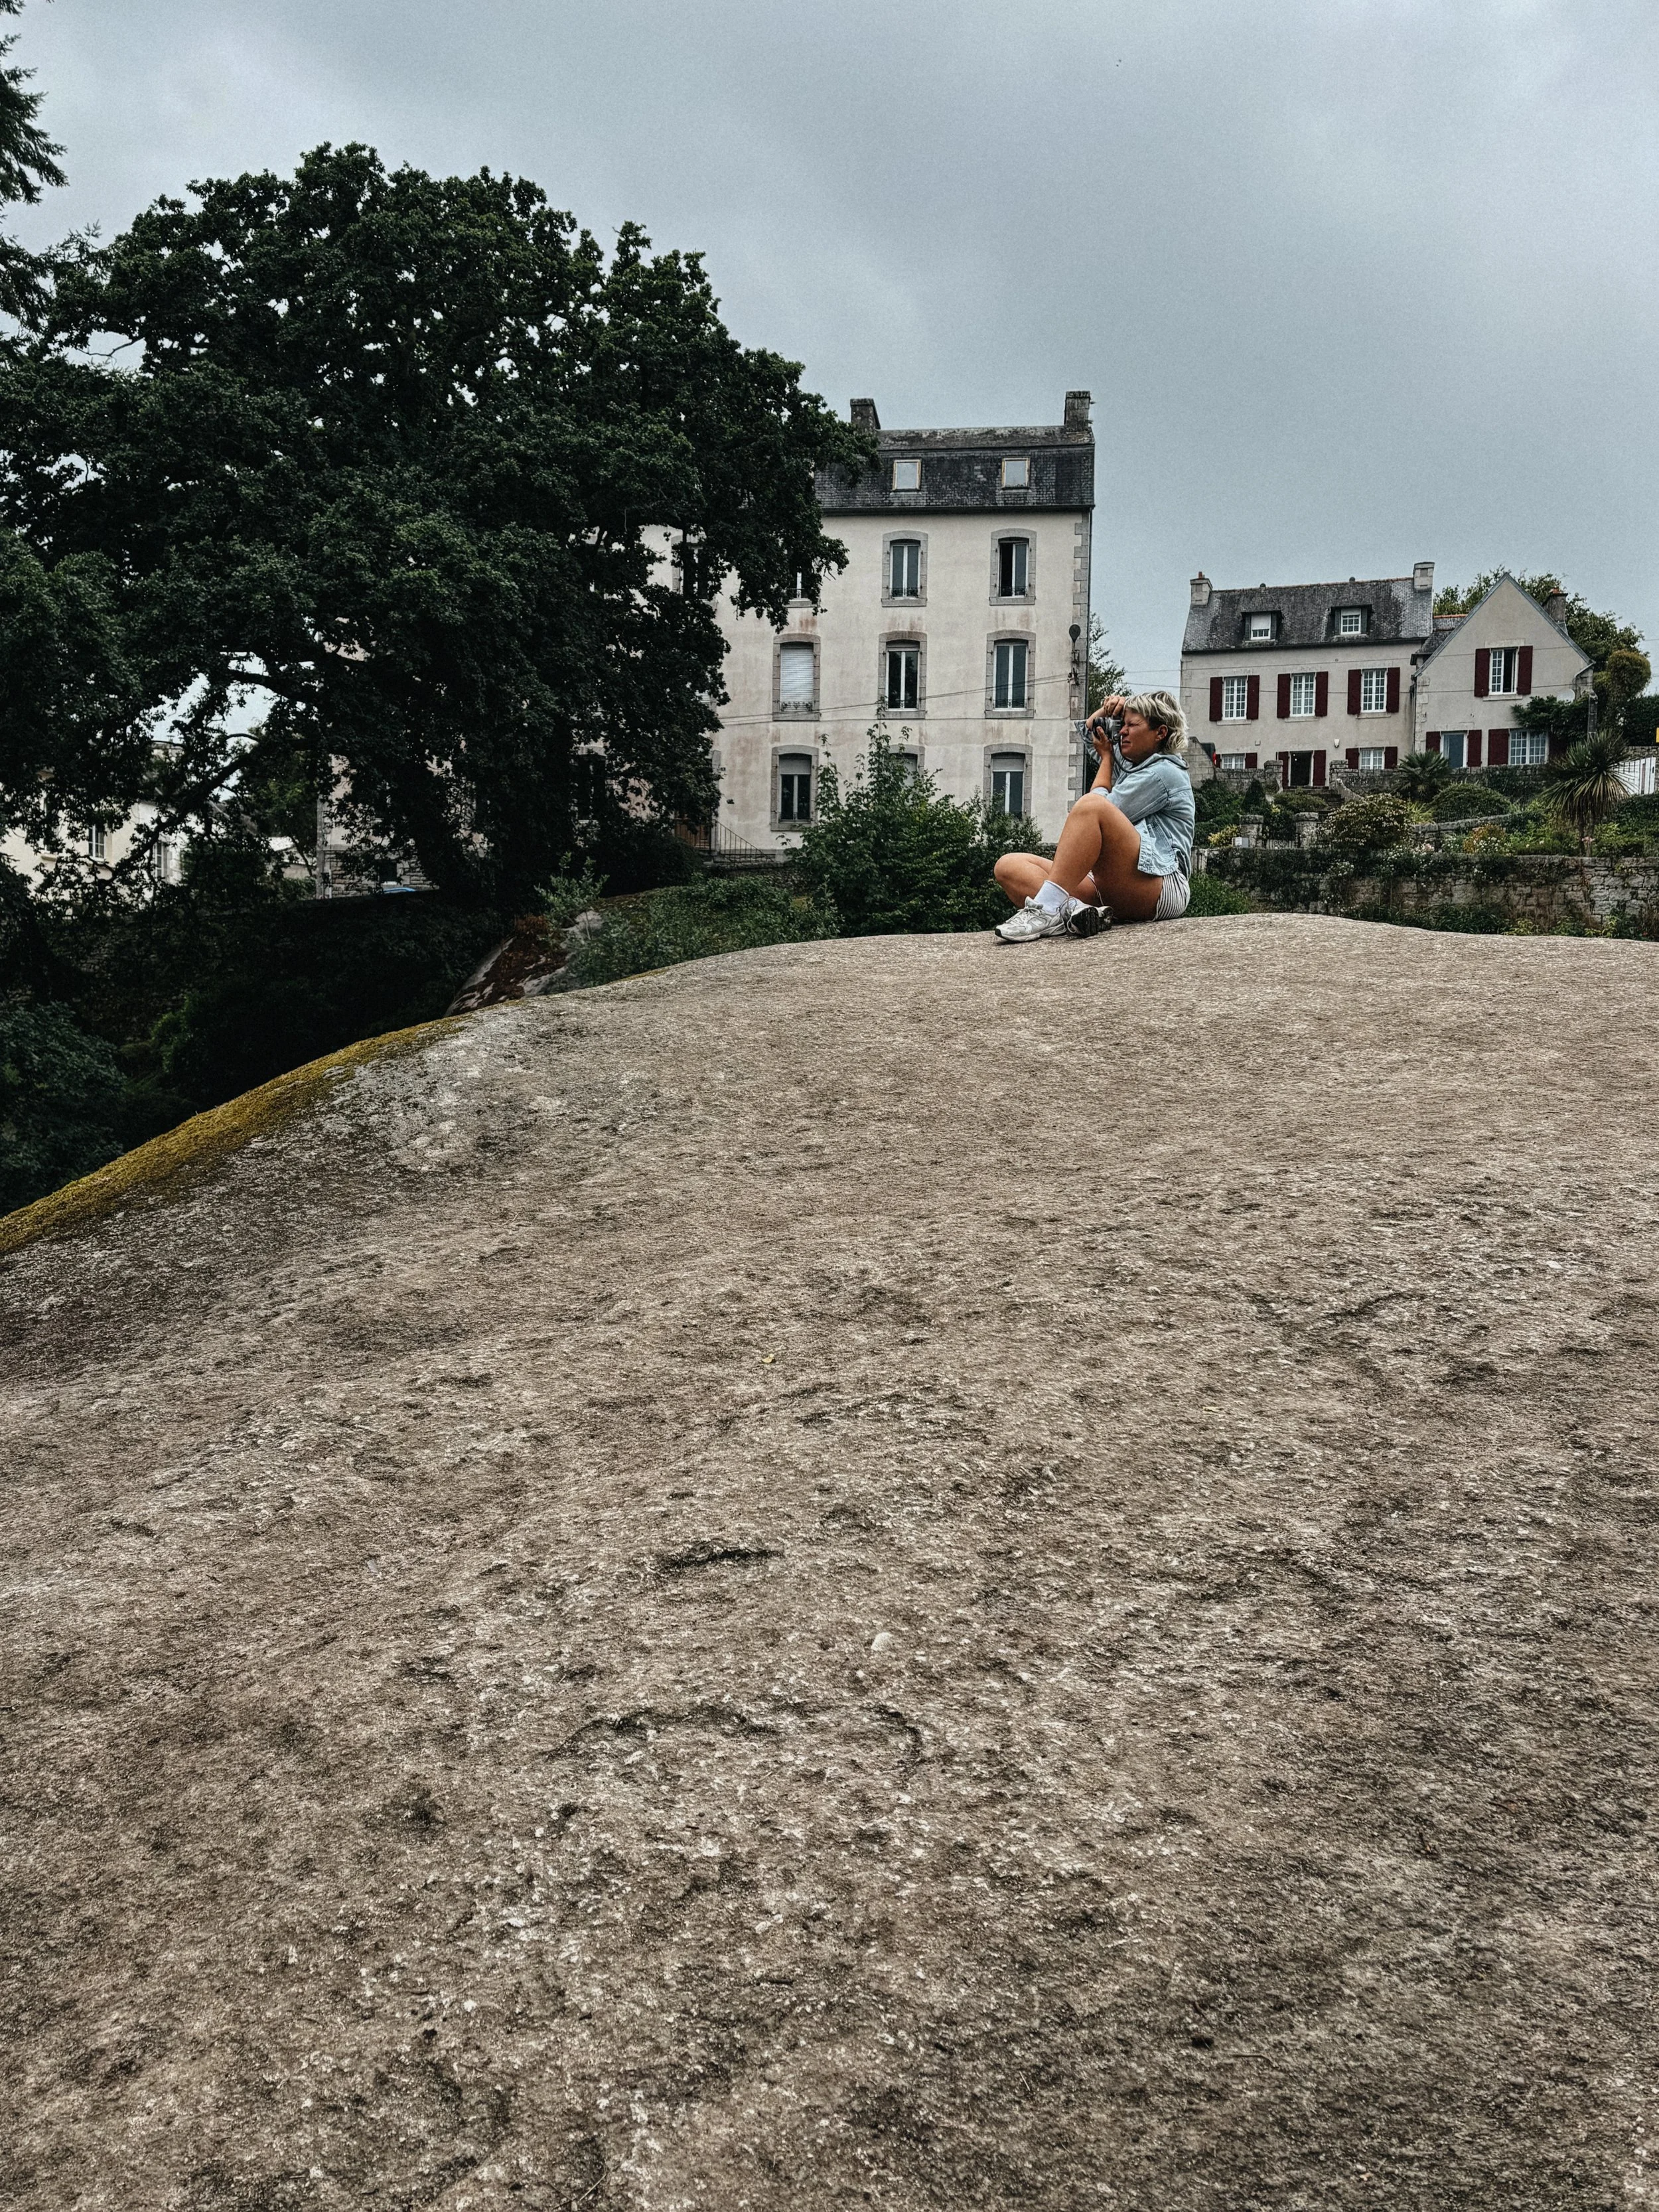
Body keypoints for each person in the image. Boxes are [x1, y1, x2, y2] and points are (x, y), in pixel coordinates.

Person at [992, 689, 1196, 942]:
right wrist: (1112, 711)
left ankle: (1044, 911)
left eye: (1131, 725)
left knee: (1091, 806)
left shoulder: (1165, 772)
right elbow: (1092, 733)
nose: (1122, 731)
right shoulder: (1136, 764)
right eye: (1123, 725)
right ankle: (1075, 912)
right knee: (1008, 866)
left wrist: (1108, 759)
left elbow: (1100, 808)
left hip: (1162, 887)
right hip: (1116, 887)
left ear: (1161, 733)